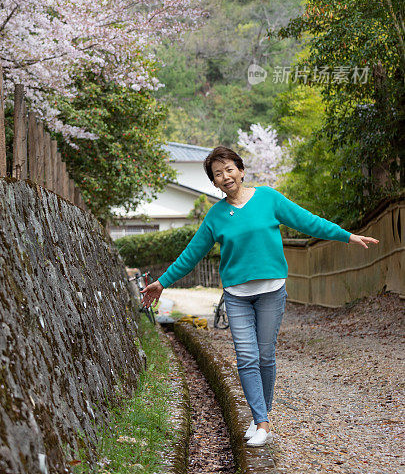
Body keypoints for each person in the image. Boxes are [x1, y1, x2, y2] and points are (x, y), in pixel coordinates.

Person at [141, 146, 379, 448]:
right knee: (247, 357)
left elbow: (307, 221)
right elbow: (192, 254)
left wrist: (346, 235)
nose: (225, 177)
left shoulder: (268, 198)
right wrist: (162, 282)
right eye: (217, 174)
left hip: (272, 293)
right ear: (214, 183)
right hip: (237, 296)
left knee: (265, 356)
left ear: (241, 170)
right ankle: (263, 421)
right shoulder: (216, 217)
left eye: (229, 169)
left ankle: (259, 418)